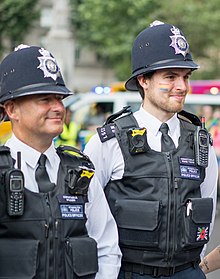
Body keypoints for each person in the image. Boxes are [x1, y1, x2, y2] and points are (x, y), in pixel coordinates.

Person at [84, 20, 218, 278]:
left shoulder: (200, 142)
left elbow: (207, 214)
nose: (182, 86)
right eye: (170, 76)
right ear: (143, 80)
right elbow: (89, 222)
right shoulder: (109, 143)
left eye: (185, 77)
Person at [0, 44, 121, 278]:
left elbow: (106, 248)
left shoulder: (81, 173)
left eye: (60, 98)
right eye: (45, 99)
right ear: (12, 109)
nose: (58, 108)